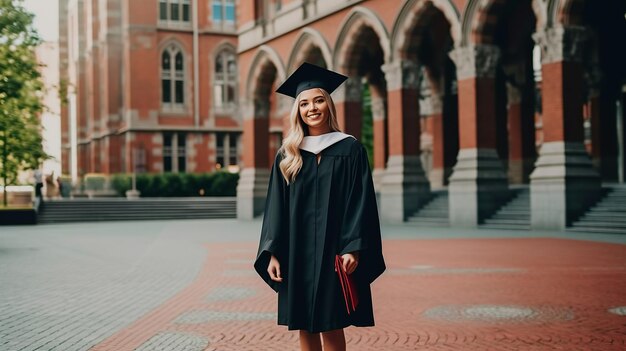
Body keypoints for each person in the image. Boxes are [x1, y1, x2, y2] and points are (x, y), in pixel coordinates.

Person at [254, 62, 386, 351]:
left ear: (328, 105)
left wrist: (353, 245)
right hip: (295, 249)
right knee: (304, 321)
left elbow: (359, 201)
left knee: (331, 320)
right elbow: (276, 206)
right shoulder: (287, 154)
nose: (311, 108)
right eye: (304, 104)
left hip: (334, 249)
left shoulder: (350, 149)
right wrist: (272, 252)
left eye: (318, 101)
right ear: (297, 110)